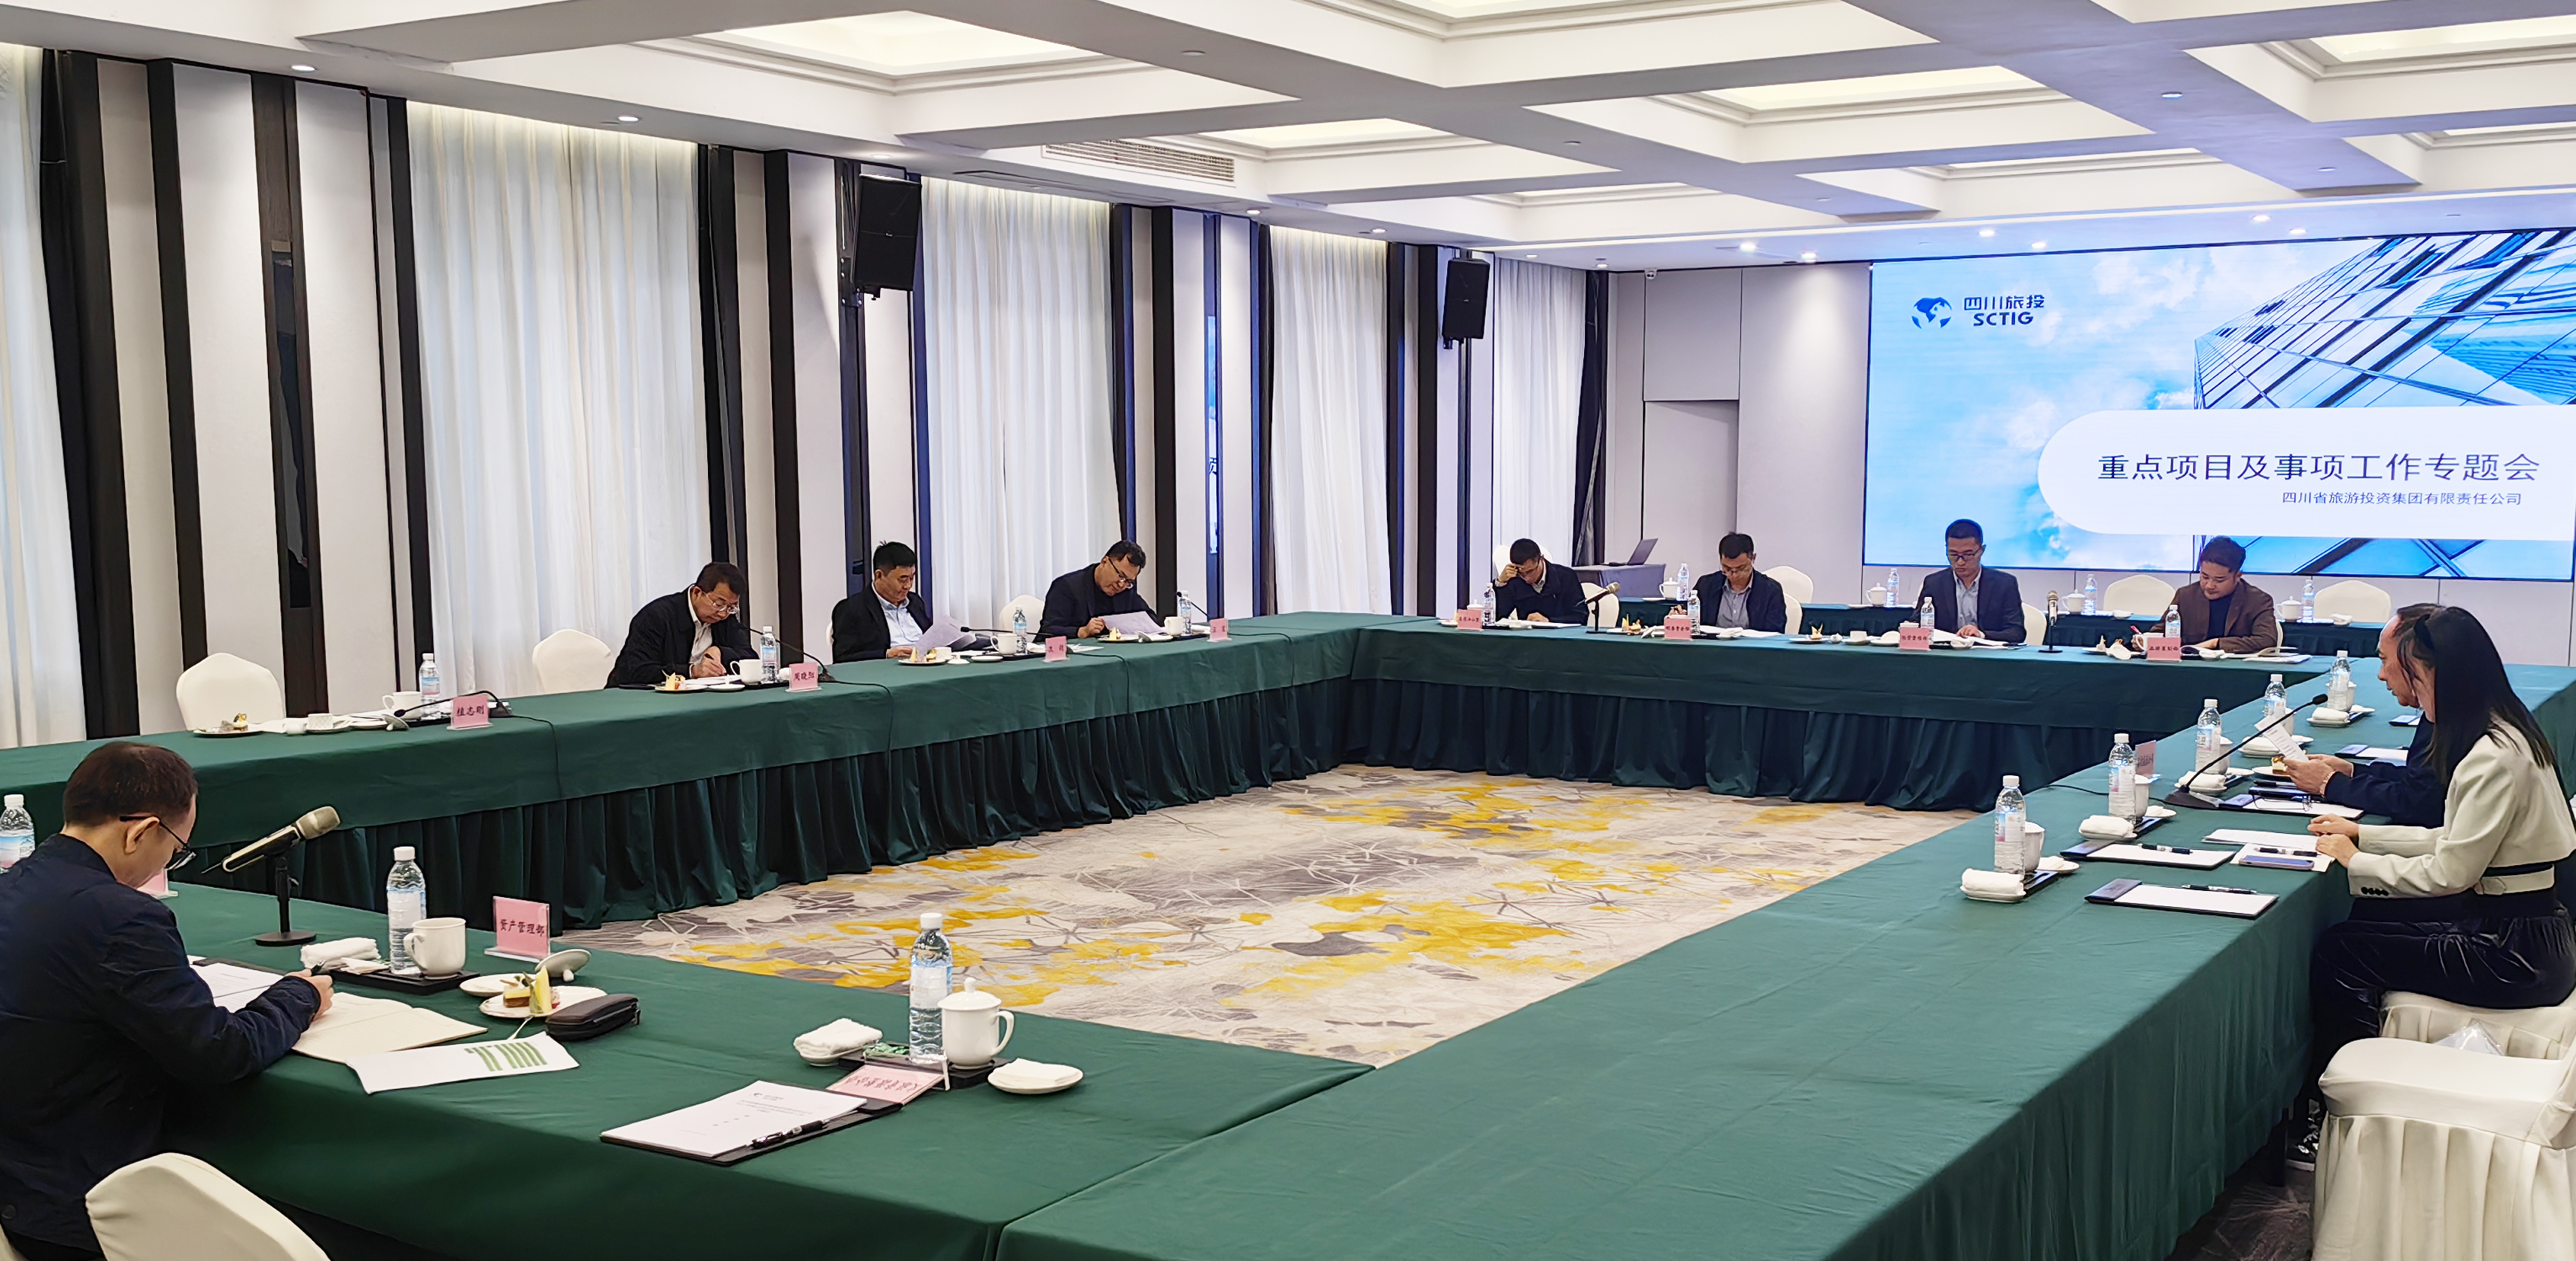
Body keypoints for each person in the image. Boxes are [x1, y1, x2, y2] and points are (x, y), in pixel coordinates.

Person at [0, 744, 330, 1261]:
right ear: (141, 831)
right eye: (176, 848)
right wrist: (298, 996)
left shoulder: (12, 886)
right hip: (87, 1211)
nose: (169, 861)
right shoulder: (122, 917)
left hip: (17, 1189)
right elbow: (219, 1053)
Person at [2299, 607, 2576, 1164]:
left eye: (2410, 674)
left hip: (2512, 955)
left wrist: (2357, 864)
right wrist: (2365, 836)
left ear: (2438, 674)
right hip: (2531, 934)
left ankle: (2338, 1115)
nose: (2396, 682)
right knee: (2363, 931)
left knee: (2342, 951)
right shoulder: (2509, 733)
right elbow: (2456, 839)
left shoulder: (2491, 757)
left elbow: (2451, 873)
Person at [2281, 604, 2443, 825]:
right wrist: (2352, 771)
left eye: (2384, 660)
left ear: (2414, 663)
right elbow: (2420, 782)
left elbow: (2418, 803)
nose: (2381, 675)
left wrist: (2330, 783)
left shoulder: (2450, 720)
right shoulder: (2441, 709)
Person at [608, 561, 754, 685]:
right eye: (719, 604)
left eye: (731, 607)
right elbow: (636, 671)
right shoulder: (656, 616)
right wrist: (692, 671)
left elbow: (751, 660)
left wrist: (721, 652)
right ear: (697, 593)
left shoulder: (725, 618)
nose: (723, 613)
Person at [1911, 519, 2024, 643]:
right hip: (1946, 651)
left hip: (1987, 652)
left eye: (1968, 555)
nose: (1960, 562)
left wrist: (1981, 635)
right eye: (1953, 555)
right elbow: (1917, 624)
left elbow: (2016, 632)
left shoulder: (2004, 584)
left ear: (1981, 551)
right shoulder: (1934, 583)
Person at [2166, 537, 2280, 654]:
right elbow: (2161, 633)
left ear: (2238, 576)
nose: (2209, 585)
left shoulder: (2258, 600)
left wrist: (2216, 643)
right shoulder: (2185, 596)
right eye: (2205, 577)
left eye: (2219, 580)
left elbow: (2267, 640)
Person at [832, 541, 934, 662]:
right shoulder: (851, 609)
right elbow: (842, 658)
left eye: (911, 578)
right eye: (903, 579)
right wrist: (886, 654)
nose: (908, 586)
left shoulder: (915, 602)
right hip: (887, 670)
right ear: (879, 576)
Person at [1041, 541, 1158, 640]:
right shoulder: (1067, 587)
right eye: (1120, 576)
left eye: (1128, 581)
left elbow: (1150, 619)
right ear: (1104, 562)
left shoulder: (1126, 590)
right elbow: (1048, 631)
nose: (1121, 584)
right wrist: (1081, 632)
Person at [1691, 533, 1787, 633]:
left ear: (1753, 558)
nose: (1734, 575)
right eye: (1727, 569)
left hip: (1753, 643)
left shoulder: (1770, 590)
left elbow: (1775, 632)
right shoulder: (1706, 586)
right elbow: (1690, 619)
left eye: (1741, 569)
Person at [1494, 539, 1588, 625]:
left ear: (1541, 560)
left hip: (1561, 635)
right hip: (1527, 636)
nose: (1527, 578)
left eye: (1530, 571)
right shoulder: (1514, 579)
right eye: (1521, 573)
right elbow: (1496, 617)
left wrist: (1549, 621)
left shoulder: (1565, 576)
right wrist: (1500, 583)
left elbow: (1581, 616)